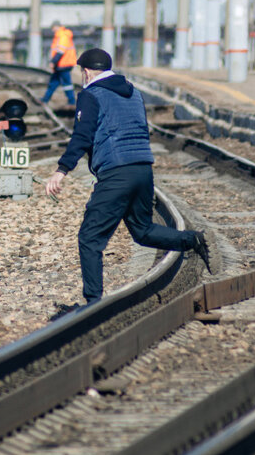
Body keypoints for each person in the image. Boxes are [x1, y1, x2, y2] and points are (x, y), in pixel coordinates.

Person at [44, 47, 210, 305]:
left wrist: (61, 170)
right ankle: (192, 239)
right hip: (143, 169)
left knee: (90, 238)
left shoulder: (90, 95)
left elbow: (82, 135)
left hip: (116, 173)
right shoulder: (134, 92)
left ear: (86, 72)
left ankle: (93, 304)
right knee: (143, 231)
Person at [42, 21, 78, 105]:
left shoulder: (63, 36)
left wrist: (53, 62)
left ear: (56, 27)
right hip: (61, 64)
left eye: (53, 28)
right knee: (54, 82)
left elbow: (61, 51)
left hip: (64, 64)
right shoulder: (59, 36)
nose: (52, 30)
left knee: (66, 83)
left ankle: (72, 101)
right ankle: (45, 99)